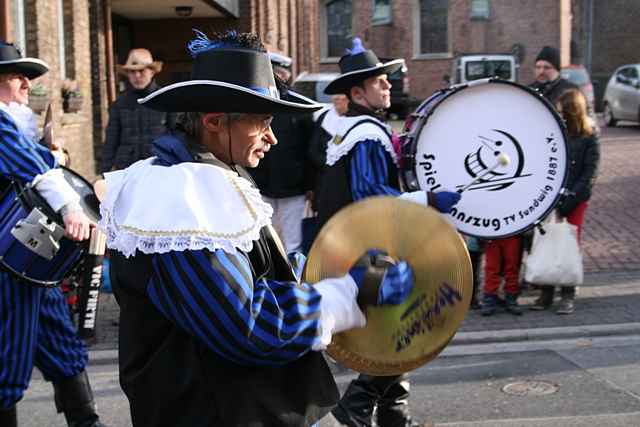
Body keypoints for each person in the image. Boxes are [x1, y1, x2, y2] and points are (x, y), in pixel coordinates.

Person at [101, 30, 415, 427]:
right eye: (263, 122)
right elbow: (248, 326)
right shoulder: (179, 198)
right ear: (215, 122)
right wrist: (349, 292)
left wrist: (335, 269)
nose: (272, 136)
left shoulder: (214, 172)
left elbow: (254, 274)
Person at [315, 38, 461, 427]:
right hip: (373, 250)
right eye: (380, 82)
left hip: (363, 246)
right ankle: (357, 405)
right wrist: (427, 200)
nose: (388, 86)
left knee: (397, 325)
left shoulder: (355, 130)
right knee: (403, 327)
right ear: (357, 91)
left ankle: (394, 412)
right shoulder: (365, 134)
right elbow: (370, 198)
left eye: (386, 81)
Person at [0, 42, 106, 427]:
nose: (26, 84)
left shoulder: (12, 123)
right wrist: (70, 208)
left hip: (28, 256)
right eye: (16, 76)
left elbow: (37, 164)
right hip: (6, 262)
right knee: (6, 360)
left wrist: (50, 153)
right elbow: (36, 172)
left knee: (62, 344)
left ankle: (87, 422)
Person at [530, 89, 600, 314]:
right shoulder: (555, 136)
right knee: (548, 242)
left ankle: (568, 293)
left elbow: (589, 174)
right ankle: (547, 292)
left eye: (563, 112)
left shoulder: (589, 139)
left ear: (573, 112)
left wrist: (568, 200)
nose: (559, 116)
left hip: (575, 200)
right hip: (553, 199)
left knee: (569, 244)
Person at [248, 52, 315, 253]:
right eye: (274, 73)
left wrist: (310, 185)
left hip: (292, 186)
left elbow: (309, 149)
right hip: (262, 182)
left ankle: (294, 280)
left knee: (292, 241)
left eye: (282, 74)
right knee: (263, 236)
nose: (279, 78)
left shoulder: (299, 106)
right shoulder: (256, 103)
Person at [100, 48, 175, 173]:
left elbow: (177, 136)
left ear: (152, 71)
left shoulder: (166, 100)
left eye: (141, 71)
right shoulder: (120, 103)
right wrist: (105, 172)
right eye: (132, 72)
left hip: (159, 167)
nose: (137, 76)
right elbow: (111, 140)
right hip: (127, 169)